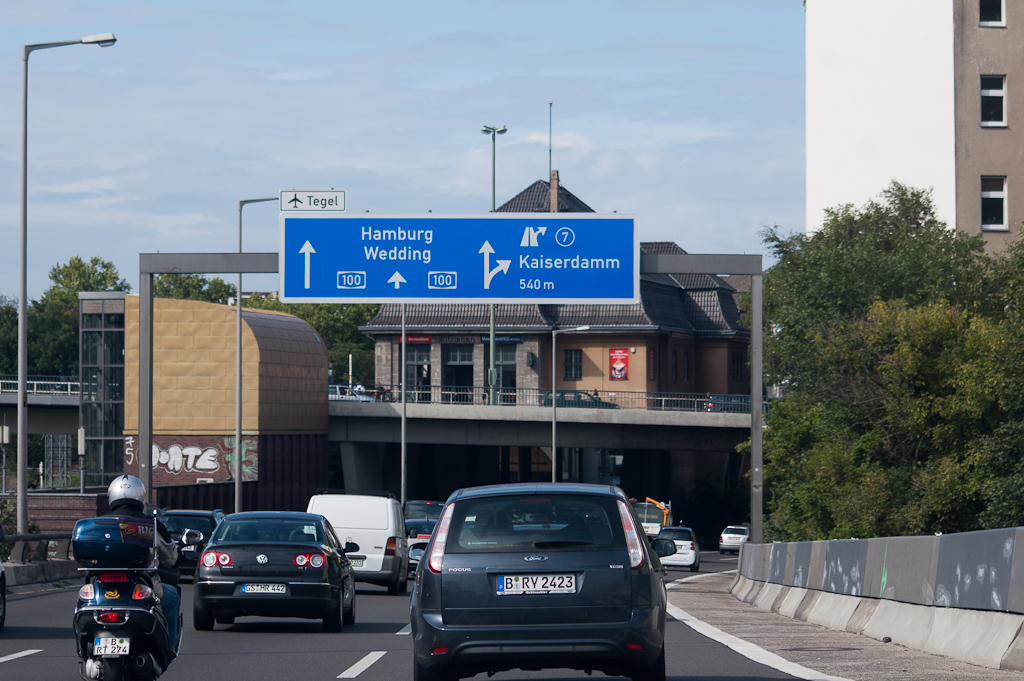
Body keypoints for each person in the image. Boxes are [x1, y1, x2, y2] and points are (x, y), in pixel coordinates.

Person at [105, 475, 181, 653]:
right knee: (172, 597)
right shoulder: (149, 525)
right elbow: (171, 560)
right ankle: (169, 647)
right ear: (140, 496)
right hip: (142, 587)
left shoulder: (101, 523)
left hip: (104, 588)